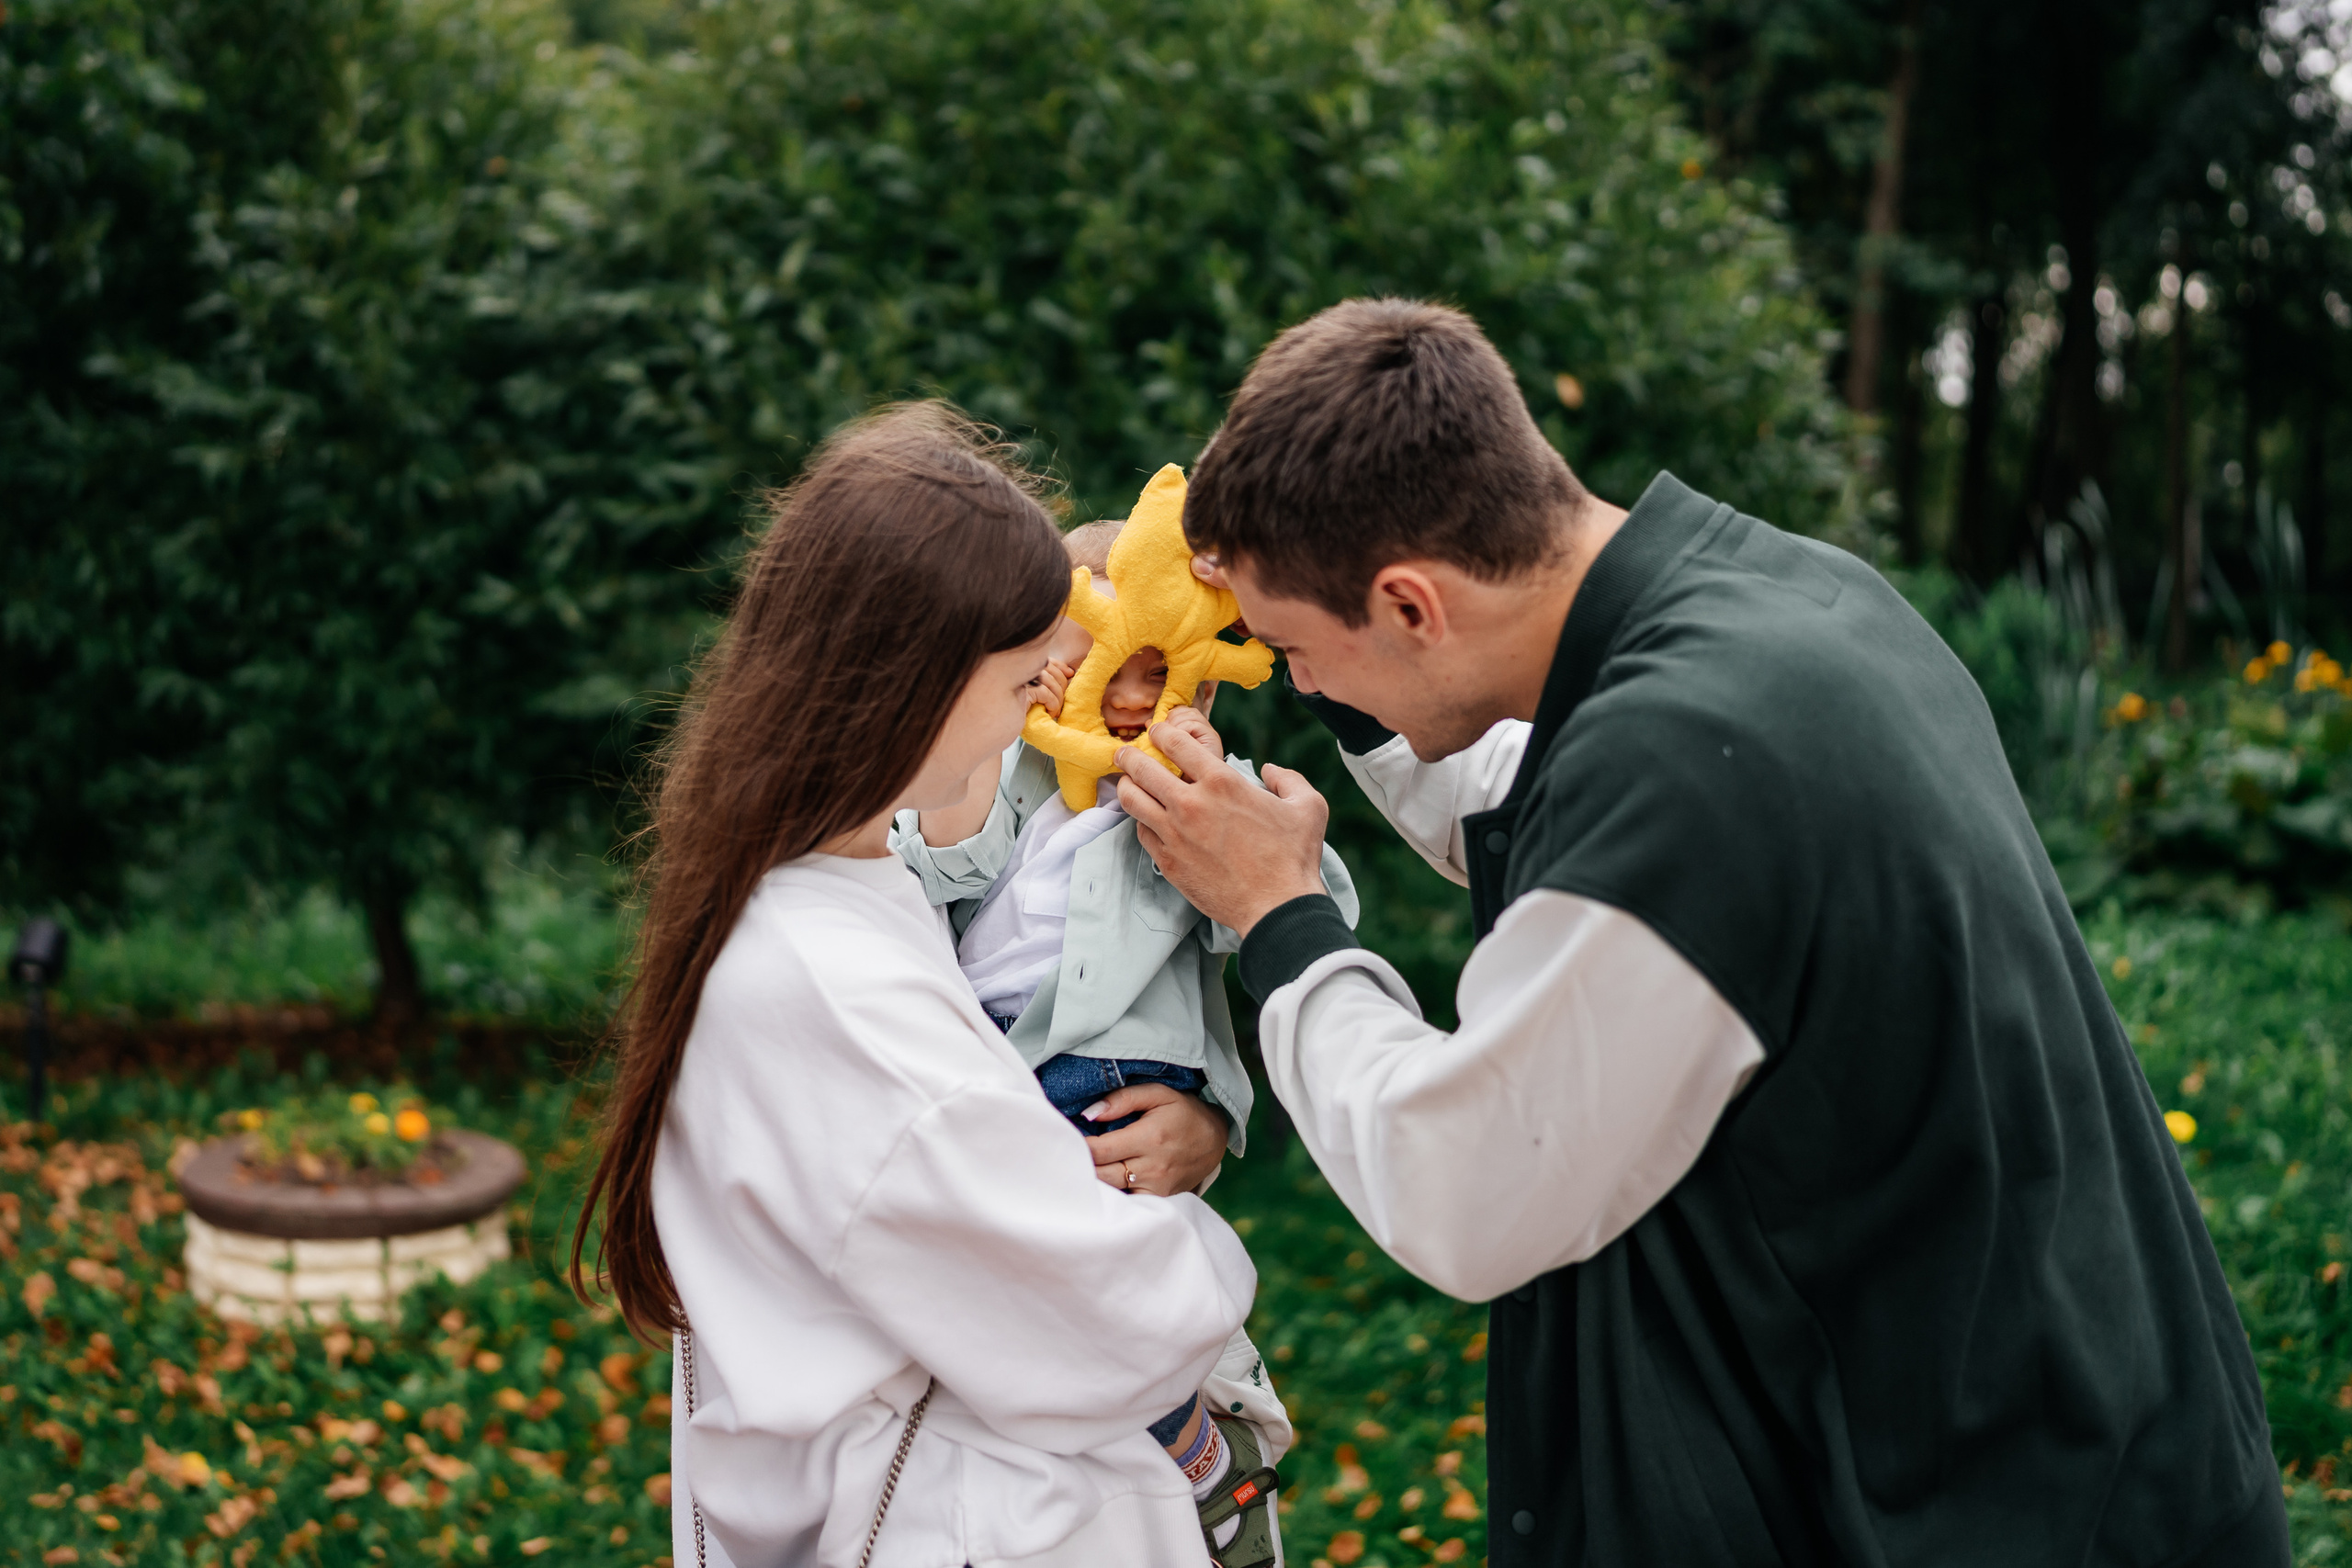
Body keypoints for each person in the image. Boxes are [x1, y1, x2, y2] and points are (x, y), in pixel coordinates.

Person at [1112, 299, 2288, 1565]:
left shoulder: (1684, 772)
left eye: (1292, 648)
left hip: (1995, 1503)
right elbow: (1538, 813)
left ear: (1411, 602)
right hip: (2067, 1418)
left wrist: (1278, 919)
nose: (1294, 682)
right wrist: (1354, 725)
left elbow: (1463, 1180)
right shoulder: (1778, 605)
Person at [570, 401, 1254, 1568]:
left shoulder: (822, 880)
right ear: (912, 683)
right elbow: (1118, 1321)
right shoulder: (839, 1000)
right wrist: (1194, 1249)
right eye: (1022, 671)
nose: (1052, 693)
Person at [895, 514, 1362, 1568]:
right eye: (1108, 658)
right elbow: (940, 875)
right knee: (1068, 1290)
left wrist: (1273, 829)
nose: (1141, 694)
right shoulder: (995, 772)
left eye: (1173, 671)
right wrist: (1004, 746)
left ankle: (1201, 1444)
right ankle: (1191, 1433)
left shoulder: (1195, 796)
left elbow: (1290, 923)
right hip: (1007, 1081)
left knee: (1112, 1274)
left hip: (1126, 1079)